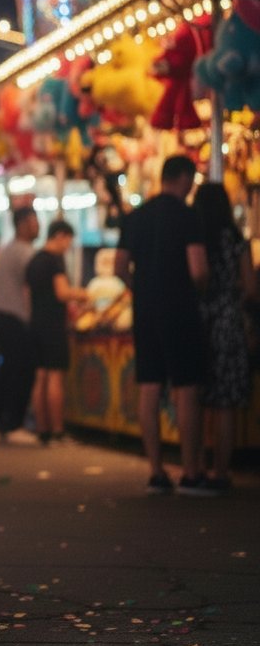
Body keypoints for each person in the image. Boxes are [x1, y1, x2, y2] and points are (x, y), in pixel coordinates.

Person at [114, 154, 211, 496]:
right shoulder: (187, 215)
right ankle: (191, 472)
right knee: (186, 387)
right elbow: (198, 269)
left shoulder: (136, 216)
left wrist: (140, 288)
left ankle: (156, 471)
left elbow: (119, 266)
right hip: (180, 307)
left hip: (145, 310)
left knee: (150, 387)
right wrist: (198, 290)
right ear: (184, 178)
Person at [192, 182, 254, 492]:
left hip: (200, 322)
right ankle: (221, 471)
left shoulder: (196, 240)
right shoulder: (237, 242)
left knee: (200, 399)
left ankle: (198, 467)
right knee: (225, 403)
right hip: (229, 322)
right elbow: (251, 288)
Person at [26, 220, 89, 445]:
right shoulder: (54, 261)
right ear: (61, 236)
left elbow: (27, 296)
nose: (68, 246)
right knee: (54, 377)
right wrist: (82, 295)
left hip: (35, 323)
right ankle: (58, 430)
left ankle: (42, 430)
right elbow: (62, 293)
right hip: (52, 325)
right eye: (69, 241)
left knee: (40, 376)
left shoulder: (33, 260)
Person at [0, 205, 40, 444]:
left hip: (1, 315)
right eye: (33, 221)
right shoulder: (25, 252)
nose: (37, 225)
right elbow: (30, 290)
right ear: (22, 224)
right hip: (16, 317)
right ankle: (14, 425)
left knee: (8, 370)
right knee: (21, 372)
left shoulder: (6, 249)